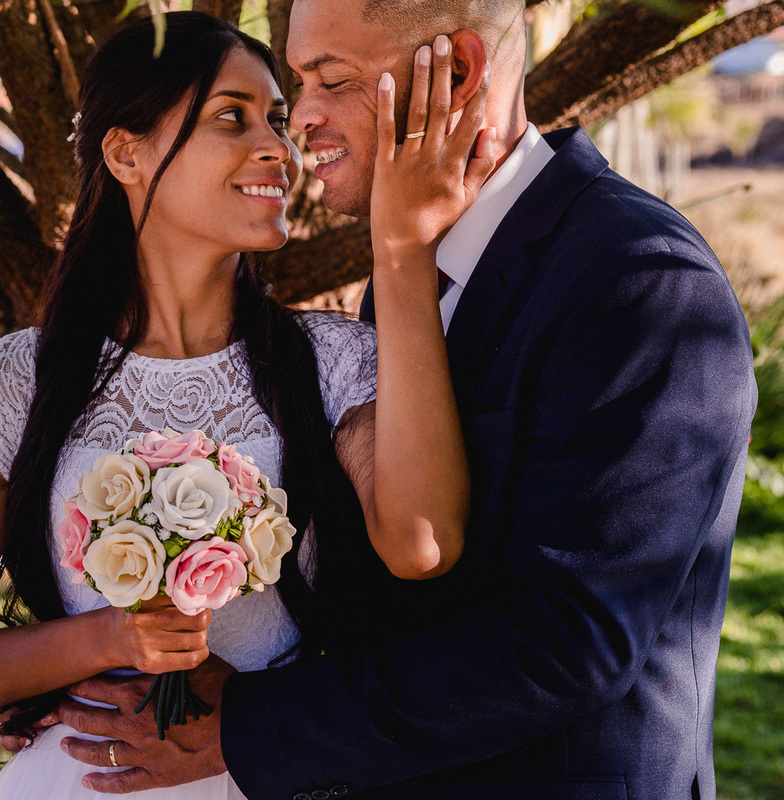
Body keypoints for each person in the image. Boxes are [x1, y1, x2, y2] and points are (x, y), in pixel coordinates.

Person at [54, 1, 757, 798]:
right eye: (299, 82)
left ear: (454, 73)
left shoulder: (642, 283)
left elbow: (569, 641)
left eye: (333, 80)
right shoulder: (401, 287)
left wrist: (246, 725)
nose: (303, 121)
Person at [0, 10, 494, 800]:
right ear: (126, 152)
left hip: (262, 771)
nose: (277, 149)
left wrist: (401, 246)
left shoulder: (335, 362)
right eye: (232, 118)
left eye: (278, 123)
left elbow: (421, 542)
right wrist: (110, 637)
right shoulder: (17, 382)